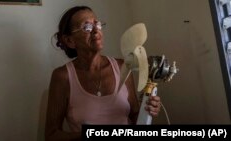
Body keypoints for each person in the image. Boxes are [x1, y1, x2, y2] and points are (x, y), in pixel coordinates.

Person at [45, 5, 161, 141]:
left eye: (97, 24)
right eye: (86, 27)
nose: (96, 31)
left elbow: (135, 115)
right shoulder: (62, 76)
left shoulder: (122, 66)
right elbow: (51, 135)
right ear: (70, 41)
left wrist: (147, 111)